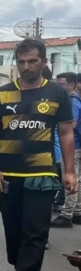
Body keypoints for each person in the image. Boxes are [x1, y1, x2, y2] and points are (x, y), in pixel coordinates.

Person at [0, 38, 76, 271]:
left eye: (33, 61)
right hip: (7, 175)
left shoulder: (57, 94)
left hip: (42, 173)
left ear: (44, 62)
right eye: (22, 62)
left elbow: (66, 133)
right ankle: (18, 262)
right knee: (13, 230)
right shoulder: (0, 94)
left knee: (35, 230)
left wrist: (70, 172)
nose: (27, 67)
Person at [50, 72, 81, 228]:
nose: (57, 86)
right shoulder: (75, 100)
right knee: (77, 181)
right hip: (76, 145)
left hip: (72, 147)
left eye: (61, 84)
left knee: (70, 180)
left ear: (71, 85)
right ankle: (76, 213)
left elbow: (72, 124)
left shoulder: (71, 102)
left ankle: (66, 215)